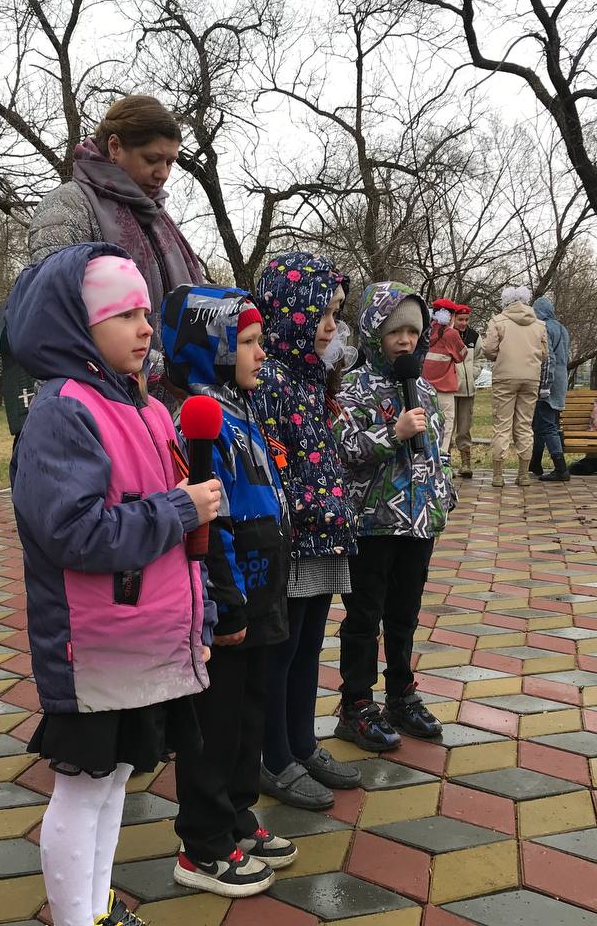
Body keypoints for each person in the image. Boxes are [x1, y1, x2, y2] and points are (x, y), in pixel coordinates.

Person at [7, 243, 221, 926]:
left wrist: (200, 620)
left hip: (148, 638)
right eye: (124, 315)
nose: (144, 327)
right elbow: (73, 532)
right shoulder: (63, 412)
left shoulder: (150, 408)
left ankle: (95, 908)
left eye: (145, 313)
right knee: (84, 786)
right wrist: (181, 509)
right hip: (94, 646)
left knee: (118, 777)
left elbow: (180, 551)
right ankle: (76, 918)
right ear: (79, 323)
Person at [161, 284, 297, 897]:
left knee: (249, 715)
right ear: (210, 345)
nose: (261, 353)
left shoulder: (238, 409)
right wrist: (227, 600)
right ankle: (204, 844)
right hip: (229, 598)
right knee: (214, 726)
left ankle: (237, 815)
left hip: (261, 594)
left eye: (260, 341)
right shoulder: (199, 419)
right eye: (247, 342)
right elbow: (208, 526)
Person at [251, 253, 360, 811]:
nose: (331, 327)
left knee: (310, 644)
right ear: (291, 310)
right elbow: (271, 464)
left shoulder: (310, 376)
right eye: (323, 313)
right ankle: (272, 756)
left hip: (324, 533)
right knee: (282, 649)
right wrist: (304, 512)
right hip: (293, 539)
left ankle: (301, 742)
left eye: (337, 314)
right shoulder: (269, 379)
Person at [334, 282, 455, 751]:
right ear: (373, 333)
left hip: (418, 522)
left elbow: (436, 451)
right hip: (372, 523)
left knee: (404, 613)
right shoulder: (352, 387)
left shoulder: (423, 388)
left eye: (412, 332)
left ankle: (401, 693)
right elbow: (343, 450)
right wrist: (392, 433)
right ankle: (356, 703)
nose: (404, 340)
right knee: (364, 616)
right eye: (393, 332)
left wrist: (443, 495)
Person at [22, 95, 205, 404]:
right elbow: (60, 316)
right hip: (94, 405)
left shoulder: (157, 218)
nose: (163, 173)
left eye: (170, 162)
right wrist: (167, 371)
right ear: (115, 147)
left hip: (163, 411)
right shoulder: (66, 208)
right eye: (152, 159)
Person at [482, 285, 549, 488]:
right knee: (524, 425)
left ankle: (498, 475)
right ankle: (523, 474)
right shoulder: (539, 324)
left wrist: (502, 356)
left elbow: (488, 349)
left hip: (505, 377)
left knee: (502, 425)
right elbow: (544, 353)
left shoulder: (498, 321)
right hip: (531, 377)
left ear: (506, 301)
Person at [528, 297, 572, 482]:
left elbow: (548, 358)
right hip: (561, 381)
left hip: (548, 382)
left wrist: (545, 385)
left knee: (547, 425)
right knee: (540, 423)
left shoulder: (543, 328)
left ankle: (561, 469)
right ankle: (535, 462)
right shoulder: (562, 329)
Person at [422, 298, 468, 459]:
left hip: (424, 386)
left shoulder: (425, 330)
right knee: (446, 422)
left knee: (426, 422)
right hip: (444, 387)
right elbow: (462, 355)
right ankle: (442, 456)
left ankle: (425, 456)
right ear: (451, 316)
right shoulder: (451, 334)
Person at [450, 303, 479, 479]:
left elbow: (480, 359)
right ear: (453, 318)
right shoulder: (447, 335)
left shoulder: (474, 336)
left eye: (466, 319)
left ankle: (465, 462)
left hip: (468, 390)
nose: (463, 323)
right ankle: (446, 462)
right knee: (448, 426)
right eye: (460, 319)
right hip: (450, 389)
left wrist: (473, 374)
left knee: (464, 428)